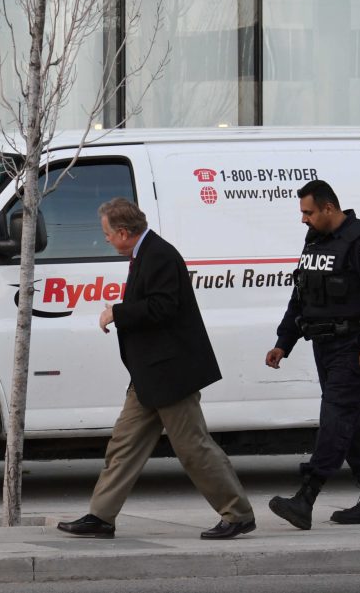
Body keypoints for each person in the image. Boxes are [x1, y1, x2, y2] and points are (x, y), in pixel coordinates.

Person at [57, 198, 255, 540]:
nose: (104, 239)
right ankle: (100, 516)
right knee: (123, 445)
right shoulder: (146, 253)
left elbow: (163, 307)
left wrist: (117, 313)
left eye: (106, 233)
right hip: (150, 374)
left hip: (171, 374)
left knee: (193, 447)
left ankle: (237, 514)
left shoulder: (159, 254)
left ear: (122, 232)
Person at [266, 180, 360, 530]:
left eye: (308, 212)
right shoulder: (316, 241)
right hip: (323, 346)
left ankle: (306, 497)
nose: (303, 220)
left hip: (352, 348)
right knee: (352, 423)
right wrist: (284, 341)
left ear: (328, 208)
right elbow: (302, 297)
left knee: (336, 420)